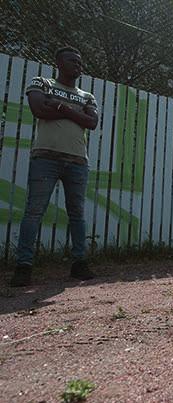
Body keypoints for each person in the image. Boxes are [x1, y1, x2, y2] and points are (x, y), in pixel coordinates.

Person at [10, 46, 99, 287]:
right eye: (72, 60)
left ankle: (79, 264)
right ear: (58, 62)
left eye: (80, 62)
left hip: (78, 161)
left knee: (77, 214)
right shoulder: (42, 83)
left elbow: (91, 122)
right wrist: (74, 113)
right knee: (34, 212)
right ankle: (24, 266)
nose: (78, 65)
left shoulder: (87, 96)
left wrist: (60, 107)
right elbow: (39, 109)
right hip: (46, 158)